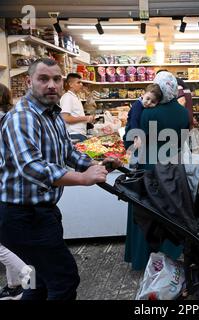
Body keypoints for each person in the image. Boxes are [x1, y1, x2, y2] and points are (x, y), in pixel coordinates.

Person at [0, 58, 121, 300]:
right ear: (29, 81)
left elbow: (68, 152)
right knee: (64, 279)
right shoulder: (23, 117)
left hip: (42, 212)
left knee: (39, 283)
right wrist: (82, 178)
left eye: (56, 79)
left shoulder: (52, 114)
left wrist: (97, 165)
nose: (51, 85)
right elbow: (32, 167)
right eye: (43, 79)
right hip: (22, 216)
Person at [124, 71, 190, 271]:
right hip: (173, 165)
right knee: (171, 209)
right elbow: (183, 139)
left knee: (145, 211)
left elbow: (132, 139)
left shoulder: (147, 111)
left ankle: (144, 258)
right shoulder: (182, 111)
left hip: (149, 166)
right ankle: (172, 253)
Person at [0, 84, 32, 300]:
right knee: (9, 240)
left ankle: (28, 277)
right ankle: (14, 285)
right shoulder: (11, 117)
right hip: (12, 188)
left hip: (5, 186)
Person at [123, 83, 163, 167]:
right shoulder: (137, 105)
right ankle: (132, 169)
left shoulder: (145, 107)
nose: (148, 103)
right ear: (143, 94)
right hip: (131, 131)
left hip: (138, 132)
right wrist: (136, 137)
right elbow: (134, 121)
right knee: (132, 151)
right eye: (147, 98)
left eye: (153, 102)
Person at [60, 73, 95, 142]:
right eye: (78, 82)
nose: (81, 84)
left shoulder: (75, 97)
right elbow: (65, 118)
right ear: (70, 84)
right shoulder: (67, 97)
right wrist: (86, 118)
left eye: (81, 82)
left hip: (79, 134)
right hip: (73, 135)